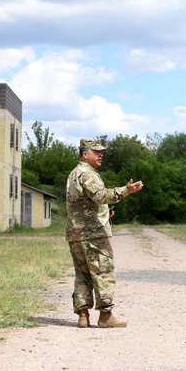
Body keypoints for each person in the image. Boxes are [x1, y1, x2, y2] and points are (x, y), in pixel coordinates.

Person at [66, 138, 143, 328]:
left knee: (82, 274)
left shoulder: (73, 174)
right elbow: (101, 196)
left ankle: (83, 315)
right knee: (103, 272)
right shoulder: (87, 174)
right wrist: (126, 190)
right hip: (94, 234)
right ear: (85, 154)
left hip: (76, 234)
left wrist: (106, 212)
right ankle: (105, 316)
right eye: (97, 152)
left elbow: (85, 203)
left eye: (102, 152)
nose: (101, 155)